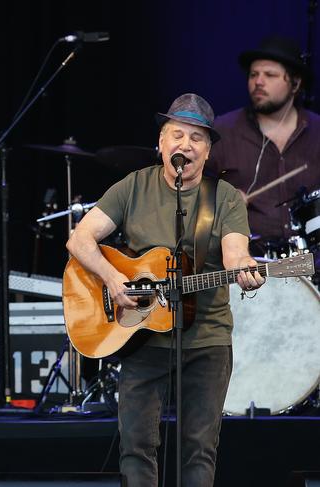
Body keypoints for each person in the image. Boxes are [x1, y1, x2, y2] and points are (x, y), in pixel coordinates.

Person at [66, 93, 264, 486]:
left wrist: (245, 268)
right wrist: (111, 277)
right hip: (142, 338)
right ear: (160, 143)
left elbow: (236, 252)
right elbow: (80, 239)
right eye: (177, 134)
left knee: (198, 449)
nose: (185, 145)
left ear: (207, 152)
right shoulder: (133, 186)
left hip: (206, 338)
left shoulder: (223, 198)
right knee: (136, 445)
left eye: (196, 138)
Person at [207, 35, 320, 258]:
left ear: (295, 84)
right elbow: (186, 190)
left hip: (313, 265)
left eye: (270, 75)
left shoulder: (317, 131)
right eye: (253, 75)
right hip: (248, 268)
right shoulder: (223, 130)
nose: (258, 81)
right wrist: (219, 198)